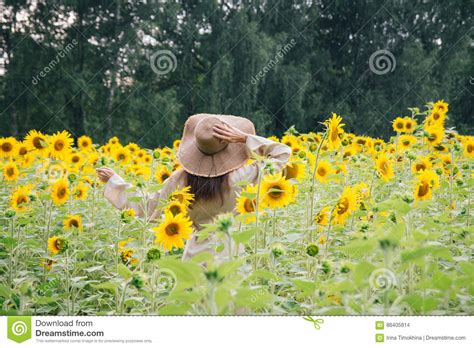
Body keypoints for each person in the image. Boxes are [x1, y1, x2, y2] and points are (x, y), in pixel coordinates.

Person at [96, 113, 291, 260]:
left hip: (195, 259)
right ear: (229, 148)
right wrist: (244, 138)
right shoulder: (241, 178)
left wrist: (115, 182)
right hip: (230, 256)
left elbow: (148, 207)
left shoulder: (180, 180)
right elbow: (282, 154)